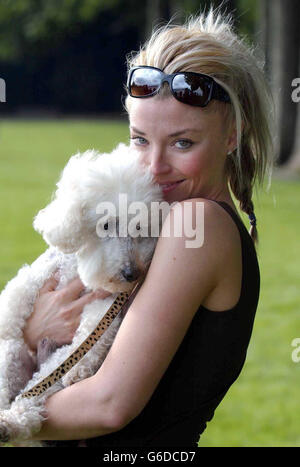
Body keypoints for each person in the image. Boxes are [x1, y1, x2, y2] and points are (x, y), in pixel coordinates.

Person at [23, 9, 274, 447]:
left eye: (183, 143)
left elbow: (109, 403)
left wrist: (11, 412)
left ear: (232, 135)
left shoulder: (198, 224)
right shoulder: (155, 222)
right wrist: (31, 330)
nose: (155, 168)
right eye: (140, 139)